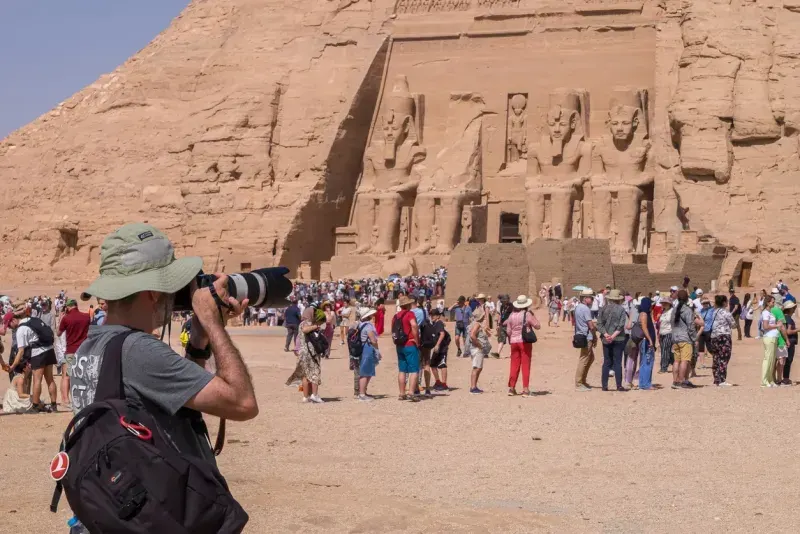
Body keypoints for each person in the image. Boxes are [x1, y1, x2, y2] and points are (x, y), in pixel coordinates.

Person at [71, 223, 258, 467]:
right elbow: (243, 403)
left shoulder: (94, 345)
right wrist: (213, 322)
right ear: (154, 293)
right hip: (159, 503)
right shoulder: (139, 351)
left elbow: (180, 394)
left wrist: (198, 338)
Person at [7, 303, 58, 413]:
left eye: (9, 325)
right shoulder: (32, 319)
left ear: (13, 320)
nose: (9, 327)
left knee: (37, 380)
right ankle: (54, 405)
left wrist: (13, 366)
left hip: (38, 352)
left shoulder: (21, 330)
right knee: (50, 379)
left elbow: (20, 351)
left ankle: (35, 406)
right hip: (49, 349)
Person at [503, 295, 541, 396]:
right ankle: (525, 389)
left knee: (514, 365)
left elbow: (508, 331)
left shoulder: (511, 315)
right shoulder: (527, 314)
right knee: (525, 365)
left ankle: (511, 388)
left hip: (514, 342)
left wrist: (512, 338)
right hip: (524, 342)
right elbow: (537, 326)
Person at [286, 308, 327, 403]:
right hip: (310, 353)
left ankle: (306, 396)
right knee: (315, 373)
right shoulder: (307, 323)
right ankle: (315, 395)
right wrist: (316, 326)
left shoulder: (301, 323)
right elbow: (305, 330)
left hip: (303, 352)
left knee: (305, 375)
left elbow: (300, 336)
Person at [57, 298, 90, 409]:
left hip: (71, 350)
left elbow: (58, 333)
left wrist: (61, 319)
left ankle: (65, 400)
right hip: (84, 349)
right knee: (83, 375)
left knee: (66, 376)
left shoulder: (66, 318)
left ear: (68, 307)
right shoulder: (86, 317)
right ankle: (83, 398)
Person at [597, 289, 628, 392]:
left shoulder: (603, 309)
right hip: (618, 338)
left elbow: (599, 324)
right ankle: (619, 385)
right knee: (617, 362)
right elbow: (621, 325)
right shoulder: (621, 310)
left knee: (606, 361)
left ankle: (604, 385)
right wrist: (613, 336)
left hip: (606, 339)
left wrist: (606, 335)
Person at [671, 290, 701, 389]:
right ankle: (682, 381)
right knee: (685, 360)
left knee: (676, 361)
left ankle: (675, 381)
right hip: (685, 338)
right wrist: (695, 339)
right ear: (687, 298)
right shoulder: (687, 310)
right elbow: (691, 326)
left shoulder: (674, 310)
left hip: (675, 338)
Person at [393, 295, 420, 401]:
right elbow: (414, 325)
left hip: (399, 344)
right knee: (414, 370)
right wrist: (416, 340)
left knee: (402, 370)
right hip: (409, 343)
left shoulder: (396, 316)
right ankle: (411, 393)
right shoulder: (410, 314)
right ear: (408, 305)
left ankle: (402, 393)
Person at [708, 294, 735, 387]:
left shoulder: (714, 312)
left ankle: (716, 379)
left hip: (714, 337)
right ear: (724, 303)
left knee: (716, 358)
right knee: (724, 357)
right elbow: (733, 324)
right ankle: (722, 380)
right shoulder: (726, 312)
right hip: (724, 336)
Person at [573, 289, 597, 391]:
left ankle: (583, 380)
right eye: (590, 298)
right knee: (584, 359)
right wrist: (595, 336)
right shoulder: (585, 309)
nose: (592, 300)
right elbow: (590, 325)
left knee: (590, 358)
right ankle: (579, 383)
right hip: (587, 336)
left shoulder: (578, 307)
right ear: (585, 298)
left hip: (580, 334)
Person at [355, 307, 380, 401]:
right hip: (368, 348)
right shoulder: (368, 326)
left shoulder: (360, 324)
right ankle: (362, 394)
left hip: (363, 348)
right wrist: (377, 350)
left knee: (367, 371)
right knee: (365, 372)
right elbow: (373, 340)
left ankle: (363, 392)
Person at [760, 295, 784, 387]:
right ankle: (764, 380)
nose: (773, 303)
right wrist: (777, 325)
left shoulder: (770, 312)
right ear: (768, 303)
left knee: (772, 360)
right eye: (772, 302)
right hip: (769, 337)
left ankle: (770, 379)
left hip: (774, 337)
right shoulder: (765, 313)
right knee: (768, 359)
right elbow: (765, 326)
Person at [412, 298, 432, 396]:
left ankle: (416, 388)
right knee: (427, 364)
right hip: (426, 339)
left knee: (416, 365)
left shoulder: (411, 312)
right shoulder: (424, 311)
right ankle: (428, 389)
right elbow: (429, 322)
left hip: (416, 340)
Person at [468, 306, 491, 394]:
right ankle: (473, 387)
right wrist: (480, 345)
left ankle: (474, 386)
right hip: (477, 349)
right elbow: (472, 335)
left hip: (476, 348)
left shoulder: (476, 324)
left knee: (478, 367)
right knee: (476, 368)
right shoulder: (477, 324)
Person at [636, 297, 657, 390]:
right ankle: (646, 384)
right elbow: (644, 328)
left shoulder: (645, 314)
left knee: (645, 362)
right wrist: (650, 340)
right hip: (646, 342)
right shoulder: (644, 314)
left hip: (646, 341)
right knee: (647, 362)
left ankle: (643, 383)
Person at [429, 308, 450, 391]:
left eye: (433, 315)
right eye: (431, 315)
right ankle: (438, 381)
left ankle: (444, 384)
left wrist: (437, 345)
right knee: (433, 365)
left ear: (438, 316)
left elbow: (442, 334)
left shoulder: (439, 323)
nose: (432, 316)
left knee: (442, 365)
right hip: (437, 348)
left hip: (442, 348)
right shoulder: (434, 324)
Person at [782, 301, 797, 386]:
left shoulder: (785, 317)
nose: (794, 309)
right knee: (788, 360)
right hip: (790, 341)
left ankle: (784, 377)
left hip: (787, 341)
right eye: (793, 308)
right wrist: (797, 330)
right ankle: (786, 378)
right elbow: (788, 331)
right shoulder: (789, 319)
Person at [658, 300, 674, 374]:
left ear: (669, 304)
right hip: (661, 333)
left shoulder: (672, 311)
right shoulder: (662, 311)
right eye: (662, 303)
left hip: (668, 332)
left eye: (665, 303)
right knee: (666, 350)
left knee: (665, 350)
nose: (663, 304)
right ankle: (674, 363)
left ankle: (663, 368)